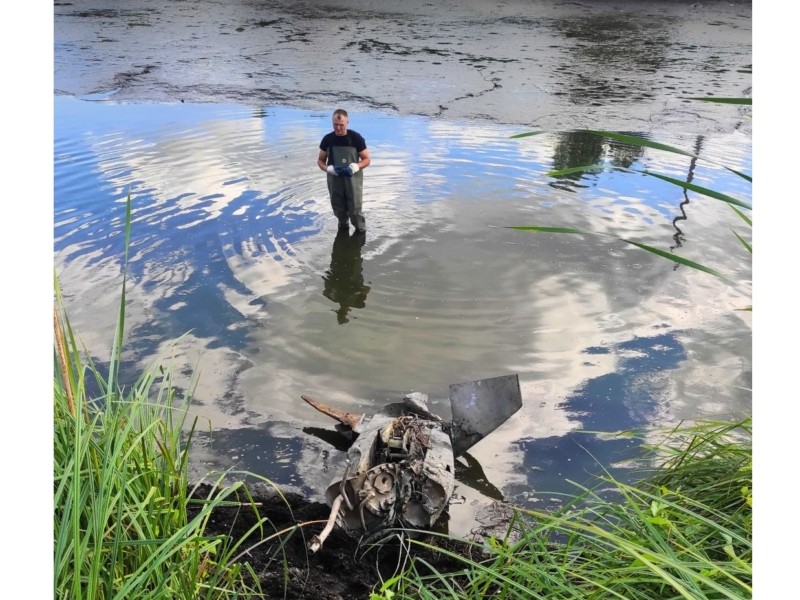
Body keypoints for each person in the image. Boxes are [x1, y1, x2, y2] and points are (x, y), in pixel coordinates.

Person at [317, 109, 371, 233]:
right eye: (335, 124)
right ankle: (342, 229)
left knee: (355, 210)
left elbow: (367, 159)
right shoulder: (327, 139)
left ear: (347, 123)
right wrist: (328, 169)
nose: (338, 128)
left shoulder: (356, 138)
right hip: (335, 180)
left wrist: (355, 167)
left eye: (341, 125)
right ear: (332, 122)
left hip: (353, 181)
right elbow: (320, 160)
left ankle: (360, 233)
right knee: (339, 209)